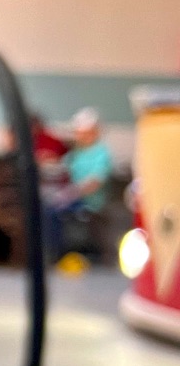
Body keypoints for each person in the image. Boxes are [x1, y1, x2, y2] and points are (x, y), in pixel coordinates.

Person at [45, 107, 115, 262]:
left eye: (82, 133)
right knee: (46, 206)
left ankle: (57, 254)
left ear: (94, 132)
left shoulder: (101, 153)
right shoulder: (78, 152)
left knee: (53, 212)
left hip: (91, 202)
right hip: (75, 198)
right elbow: (62, 166)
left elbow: (95, 182)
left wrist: (72, 193)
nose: (79, 136)